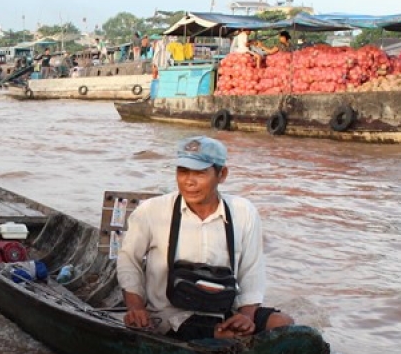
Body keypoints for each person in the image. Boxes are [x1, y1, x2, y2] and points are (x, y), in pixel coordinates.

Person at [116, 136, 294, 341]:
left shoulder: (243, 212)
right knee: (225, 338)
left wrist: (246, 316)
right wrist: (136, 308)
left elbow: (252, 269)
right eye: (182, 171)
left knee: (283, 324)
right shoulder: (151, 211)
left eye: (200, 173)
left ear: (222, 174)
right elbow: (129, 260)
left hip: (224, 310)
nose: (189, 181)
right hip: (172, 316)